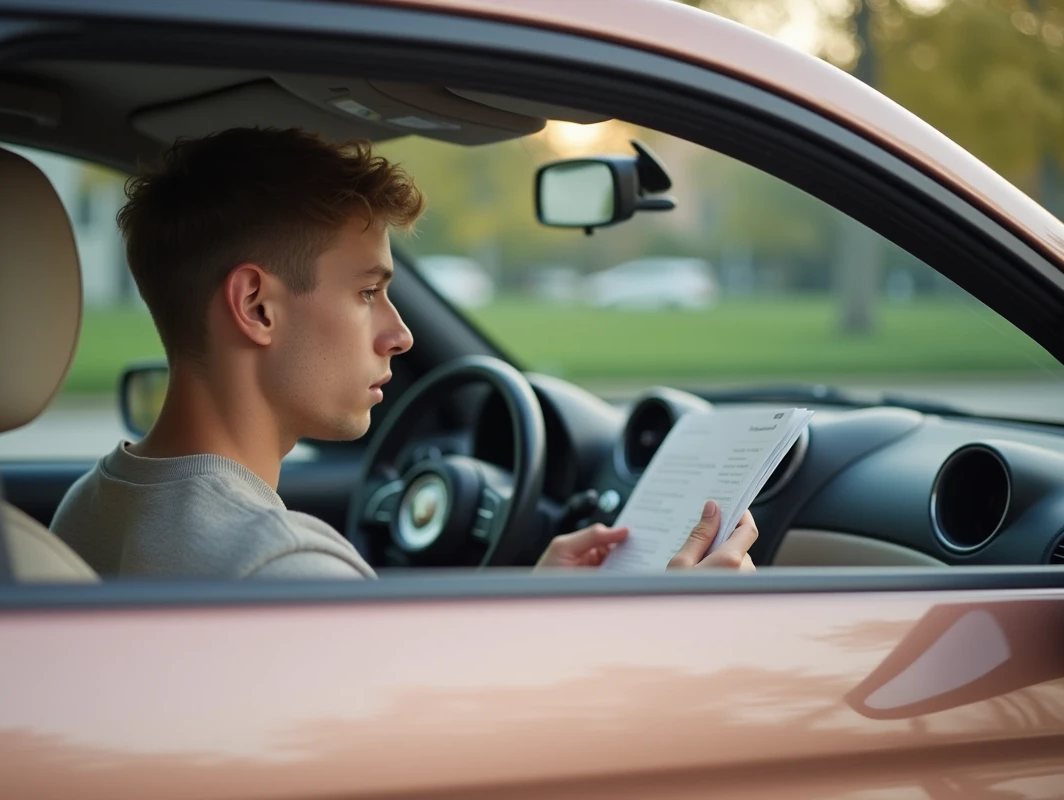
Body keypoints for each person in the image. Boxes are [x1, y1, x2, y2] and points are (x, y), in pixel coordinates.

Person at [52, 128, 758, 579]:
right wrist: (675, 632)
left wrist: (536, 602)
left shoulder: (89, 508)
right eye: (367, 293)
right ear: (256, 307)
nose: (401, 333)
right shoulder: (281, 570)